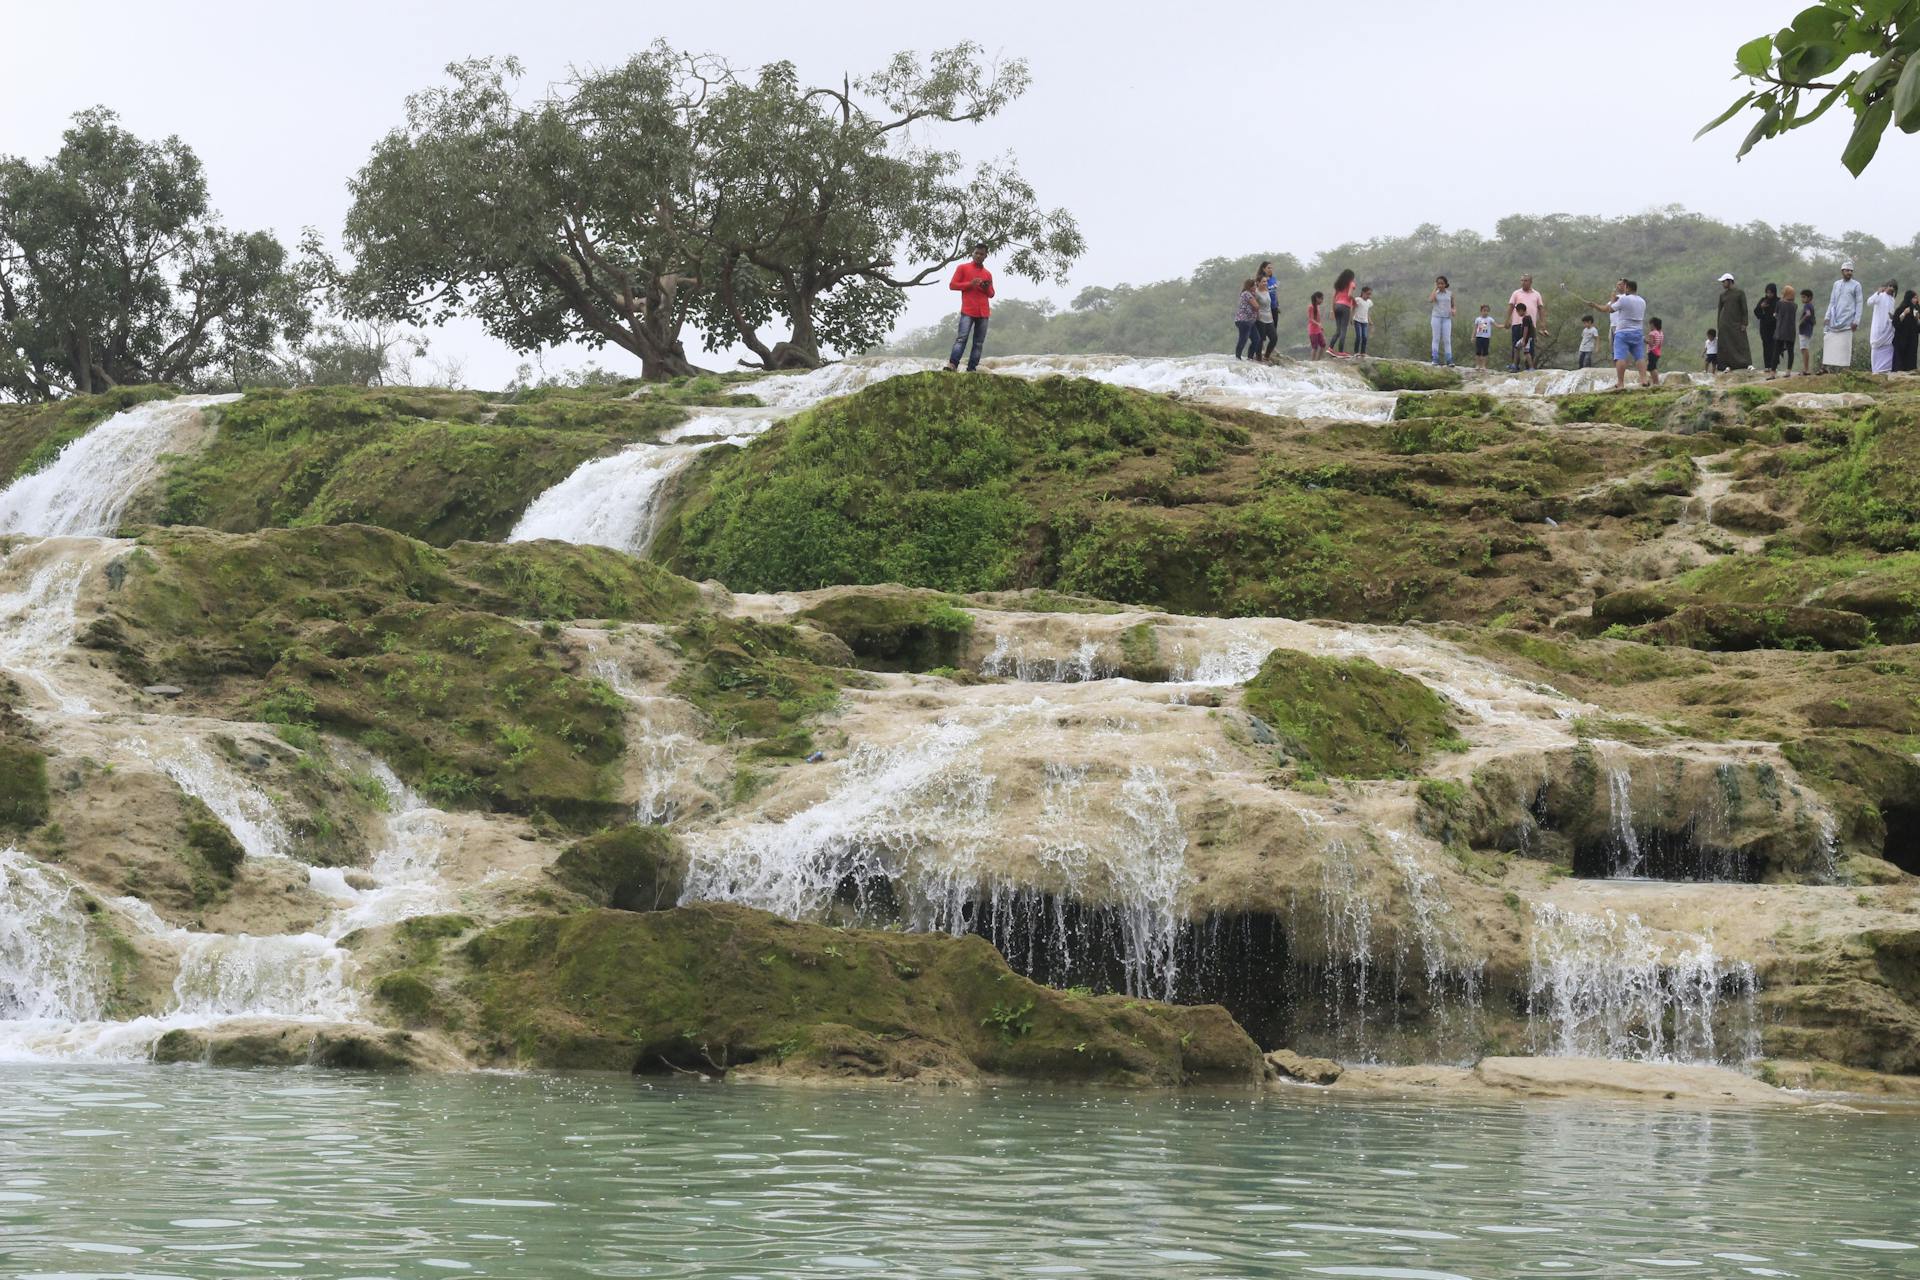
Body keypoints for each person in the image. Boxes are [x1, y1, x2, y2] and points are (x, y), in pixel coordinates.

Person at [1573, 278, 1647, 388]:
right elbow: (1606, 308)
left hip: (1622, 331)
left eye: (1622, 285)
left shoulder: (1623, 299)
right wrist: (1595, 305)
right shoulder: (1642, 301)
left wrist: (1613, 299)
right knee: (1639, 356)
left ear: (1627, 287)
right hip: (1637, 331)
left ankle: (1621, 383)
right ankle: (1644, 380)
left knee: (1620, 357)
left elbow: (1611, 309)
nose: (1619, 287)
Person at [944, 245, 995, 372]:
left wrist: (985, 287)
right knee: (962, 338)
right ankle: (952, 364)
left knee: (978, 343)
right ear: (972, 254)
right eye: (976, 253)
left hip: (983, 312)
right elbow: (952, 285)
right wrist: (970, 284)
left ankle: (972, 368)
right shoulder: (963, 268)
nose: (978, 256)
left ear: (985, 256)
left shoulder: (987, 274)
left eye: (981, 254)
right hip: (968, 310)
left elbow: (992, 294)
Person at [1824, 260, 1865, 371]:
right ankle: (1826, 367)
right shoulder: (1836, 284)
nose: (1849, 273)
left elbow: (1859, 303)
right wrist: (1827, 317)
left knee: (1845, 346)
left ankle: (1845, 369)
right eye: (1847, 270)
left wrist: (1856, 321)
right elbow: (1832, 302)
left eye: (1851, 271)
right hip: (1834, 319)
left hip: (1848, 321)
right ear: (1842, 271)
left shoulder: (1856, 285)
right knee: (1829, 342)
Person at [1507, 274, 1545, 371]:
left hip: (1530, 324)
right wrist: (1507, 319)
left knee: (1529, 348)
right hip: (1516, 323)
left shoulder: (1536, 294)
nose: (1523, 282)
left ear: (1530, 282)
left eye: (1525, 280)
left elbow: (1541, 308)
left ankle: (1529, 367)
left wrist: (1542, 323)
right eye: (1522, 280)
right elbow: (1511, 306)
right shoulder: (1516, 293)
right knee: (1515, 345)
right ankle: (1515, 366)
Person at [1715, 273, 1752, 370]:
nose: (1723, 284)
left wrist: (1745, 323)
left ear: (1730, 281)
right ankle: (1727, 365)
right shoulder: (1722, 295)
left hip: (1737, 323)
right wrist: (1719, 324)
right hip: (1725, 324)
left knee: (1741, 343)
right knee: (1726, 345)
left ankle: (1746, 363)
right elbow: (1720, 310)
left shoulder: (1739, 293)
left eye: (1724, 282)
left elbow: (1744, 309)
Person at [1869, 279, 1898, 373]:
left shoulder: (1892, 299)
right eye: (1890, 286)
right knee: (1876, 348)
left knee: (1889, 349)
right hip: (1878, 329)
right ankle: (1876, 370)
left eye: (1893, 287)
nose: (1891, 288)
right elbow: (1869, 302)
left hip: (1888, 329)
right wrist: (1878, 292)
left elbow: (1891, 312)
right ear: (1886, 286)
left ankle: (1886, 370)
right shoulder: (1880, 296)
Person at [1773, 284, 1799, 378]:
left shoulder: (1779, 304)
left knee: (1776, 351)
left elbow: (1775, 315)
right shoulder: (1795, 306)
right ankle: (1788, 371)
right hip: (1791, 331)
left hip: (1780, 330)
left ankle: (1772, 372)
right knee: (1790, 351)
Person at [1754, 284, 1780, 375]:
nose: (1769, 295)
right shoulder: (1763, 300)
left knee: (1774, 346)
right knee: (1766, 346)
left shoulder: (1778, 301)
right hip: (1764, 327)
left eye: (1771, 293)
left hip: (1774, 327)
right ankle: (1767, 365)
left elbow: (1780, 314)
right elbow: (1756, 312)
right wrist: (1761, 307)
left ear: (1774, 292)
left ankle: (1774, 366)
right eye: (1767, 292)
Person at [1430, 275, 1455, 366]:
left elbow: (1452, 305)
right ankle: (1435, 358)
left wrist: (1453, 310)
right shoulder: (1435, 293)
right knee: (1436, 338)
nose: (1440, 285)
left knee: (1447, 339)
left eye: (1442, 283)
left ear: (1445, 284)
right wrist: (1435, 289)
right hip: (1436, 317)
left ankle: (1449, 359)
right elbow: (1431, 300)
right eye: (1438, 283)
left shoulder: (1450, 293)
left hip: (1447, 318)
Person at [1234, 278, 1261, 360]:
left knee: (1256, 339)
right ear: (1250, 286)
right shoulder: (1247, 294)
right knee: (1243, 339)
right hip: (1244, 320)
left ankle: (1250, 357)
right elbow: (1256, 306)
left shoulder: (1250, 294)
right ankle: (1238, 357)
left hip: (1250, 321)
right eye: (1255, 285)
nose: (1256, 287)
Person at [1329, 269, 1356, 354]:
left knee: (1338, 330)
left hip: (1337, 306)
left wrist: (1332, 310)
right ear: (1351, 277)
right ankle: (1340, 352)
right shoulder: (1351, 283)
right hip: (1345, 307)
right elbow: (1350, 295)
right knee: (1343, 330)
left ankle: (1330, 348)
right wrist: (1354, 300)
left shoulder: (1339, 284)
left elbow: (1333, 297)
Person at [1252, 274, 1277, 364]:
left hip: (1269, 318)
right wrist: (1257, 315)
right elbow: (1254, 305)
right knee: (1261, 339)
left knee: (1274, 338)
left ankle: (1266, 356)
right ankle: (1258, 358)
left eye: (1266, 281)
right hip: (1260, 318)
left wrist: (1271, 315)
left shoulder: (1267, 291)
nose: (1265, 283)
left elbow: (1269, 305)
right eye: (1263, 281)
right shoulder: (1256, 292)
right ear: (1258, 283)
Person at [1260, 261, 1281, 359]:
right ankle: (1262, 348)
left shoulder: (1273, 279)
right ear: (1263, 269)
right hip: (1265, 308)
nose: (1270, 269)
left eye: (1271, 268)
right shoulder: (1262, 280)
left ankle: (1272, 347)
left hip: (1274, 306)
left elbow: (1275, 292)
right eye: (1268, 268)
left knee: (1274, 328)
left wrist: (1277, 304)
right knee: (1264, 329)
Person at [1895, 289, 1920, 373]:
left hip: (1913, 340)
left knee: (1911, 359)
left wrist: (1917, 319)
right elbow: (1895, 323)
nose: (1915, 300)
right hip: (1901, 340)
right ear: (1909, 298)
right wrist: (1904, 313)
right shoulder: (1901, 309)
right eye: (1914, 298)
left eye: (1916, 298)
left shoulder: (1917, 310)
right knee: (1900, 360)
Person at [1511, 302, 1538, 370]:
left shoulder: (1525, 318)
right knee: (1518, 348)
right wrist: (1535, 337)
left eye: (1518, 312)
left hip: (1526, 338)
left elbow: (1526, 329)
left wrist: (1523, 340)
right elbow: (1532, 328)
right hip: (1529, 337)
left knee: (1524, 351)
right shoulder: (1529, 317)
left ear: (1521, 310)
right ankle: (1515, 364)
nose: (1518, 314)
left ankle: (1529, 367)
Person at [1799, 288, 1817, 374]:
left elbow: (1808, 314)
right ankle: (1805, 368)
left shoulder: (1807, 306)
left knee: (1804, 348)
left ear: (1809, 298)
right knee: (1804, 348)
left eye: (1804, 297)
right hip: (1807, 329)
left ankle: (1806, 369)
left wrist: (1802, 320)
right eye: (1802, 297)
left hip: (1805, 329)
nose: (1802, 299)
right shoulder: (1810, 305)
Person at [1352, 285, 1374, 355]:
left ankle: (1363, 352)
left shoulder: (1369, 302)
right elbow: (1353, 309)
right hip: (1357, 320)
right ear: (1363, 293)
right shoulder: (1358, 299)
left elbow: (1367, 312)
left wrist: (1370, 320)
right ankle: (1356, 352)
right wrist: (1351, 318)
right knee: (1359, 336)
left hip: (1365, 322)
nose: (1369, 296)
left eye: (1370, 294)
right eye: (1367, 294)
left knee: (1364, 337)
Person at [1472, 304, 1495, 370]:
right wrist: (1473, 337)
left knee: (1485, 352)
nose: (1486, 312)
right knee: (1478, 351)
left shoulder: (1490, 319)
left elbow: (1496, 325)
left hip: (1486, 337)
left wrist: (1504, 326)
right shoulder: (1478, 319)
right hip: (1479, 337)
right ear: (1481, 311)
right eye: (1484, 311)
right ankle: (1477, 365)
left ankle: (1483, 366)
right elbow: (1475, 328)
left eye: (1487, 311)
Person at [1308, 291, 1327, 359]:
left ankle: (1318, 360)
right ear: (1317, 298)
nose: (1322, 300)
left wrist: (1320, 326)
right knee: (1315, 347)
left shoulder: (1317, 307)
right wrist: (1318, 324)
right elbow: (1311, 319)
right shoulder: (1311, 307)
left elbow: (1318, 319)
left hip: (1318, 330)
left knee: (1323, 344)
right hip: (1312, 330)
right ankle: (1312, 362)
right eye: (1321, 299)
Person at [1647, 317, 1664, 385]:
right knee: (1651, 366)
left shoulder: (1652, 333)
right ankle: (1652, 381)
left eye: (1650, 324)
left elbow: (1651, 343)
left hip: (1652, 352)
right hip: (1658, 352)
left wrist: (1644, 340)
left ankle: (1656, 382)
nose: (1649, 326)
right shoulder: (1660, 333)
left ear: (1653, 325)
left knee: (1652, 368)